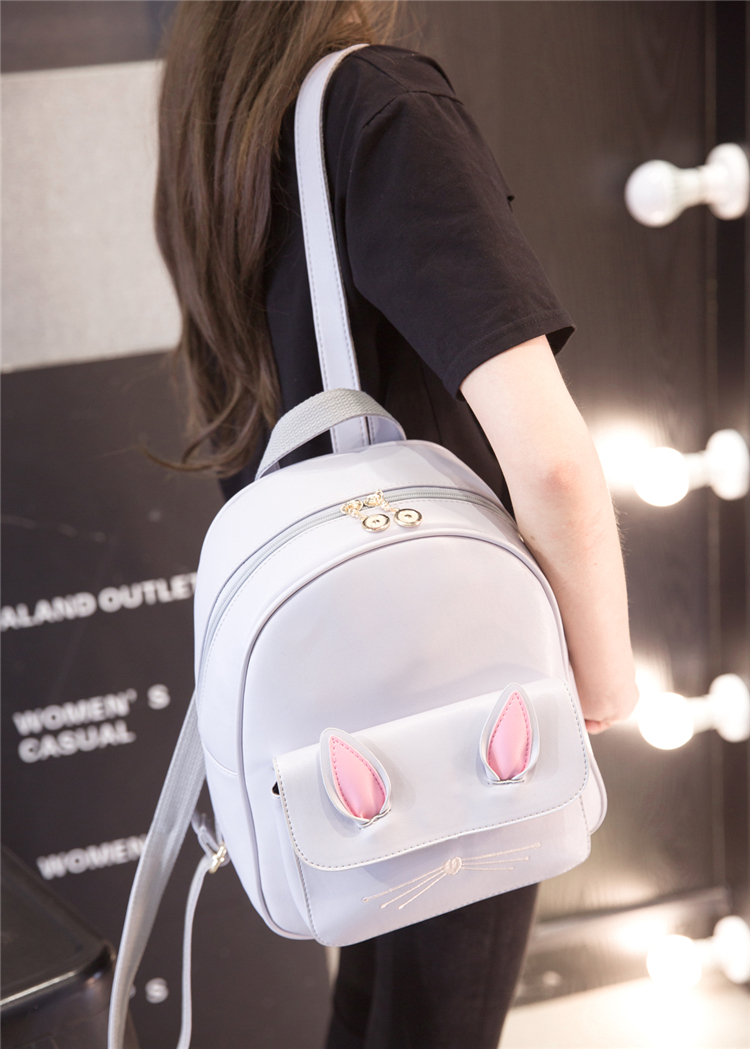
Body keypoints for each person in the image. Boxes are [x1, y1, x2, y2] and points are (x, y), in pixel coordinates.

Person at [155, 3, 639, 1046]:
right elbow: (551, 456)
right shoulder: (381, 106)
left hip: (321, 681)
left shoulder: (218, 125)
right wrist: (601, 677)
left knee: (378, 996)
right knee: (437, 1015)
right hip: (456, 666)